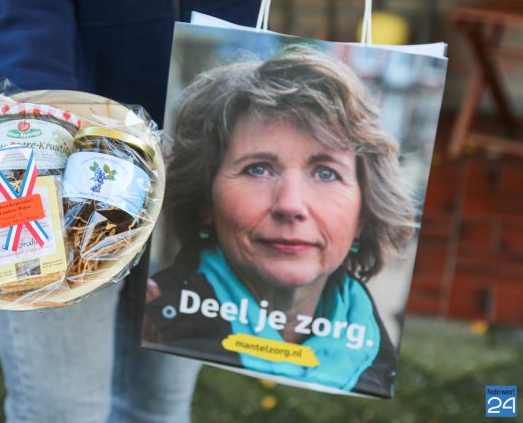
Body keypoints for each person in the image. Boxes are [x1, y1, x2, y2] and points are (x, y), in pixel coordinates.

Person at [0, 0, 374, 420]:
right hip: (53, 131)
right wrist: (40, 117)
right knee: (63, 410)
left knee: (160, 404)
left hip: (204, 133)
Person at [143, 46, 415, 397]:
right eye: (258, 169)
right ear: (205, 199)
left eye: (326, 173)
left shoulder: (381, 359)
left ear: (364, 214)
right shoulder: (154, 323)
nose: (290, 205)